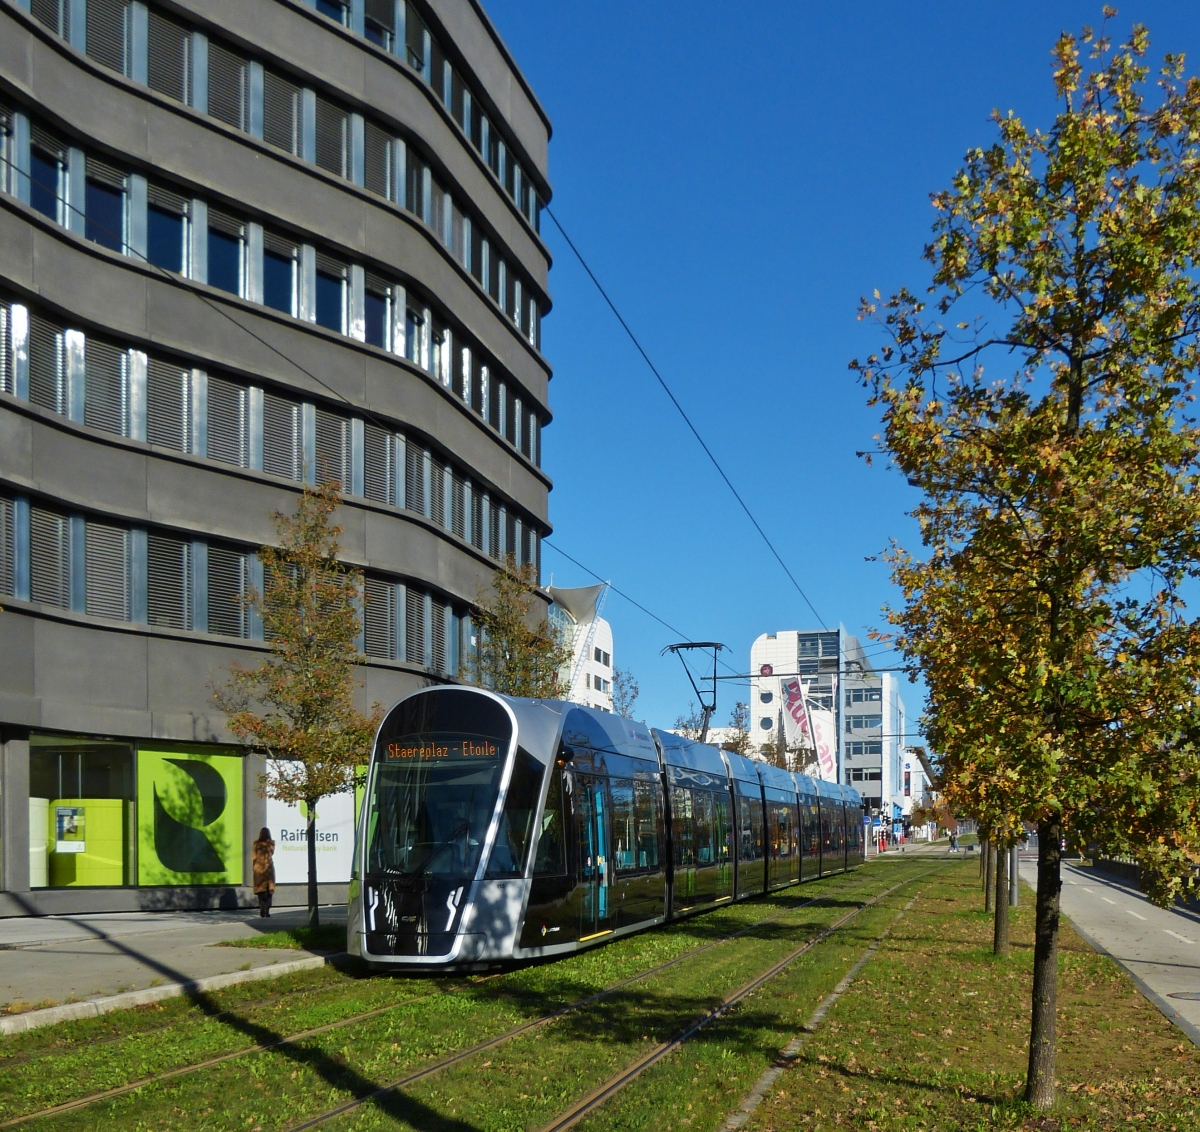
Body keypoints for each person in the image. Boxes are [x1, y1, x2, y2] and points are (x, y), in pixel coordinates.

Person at [252, 827, 276, 918]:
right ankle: (267, 910)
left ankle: (262, 907)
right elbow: (271, 853)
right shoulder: (271, 843)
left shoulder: (256, 844)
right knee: (269, 890)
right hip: (268, 867)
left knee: (260, 890)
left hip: (258, 868)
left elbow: (254, 856)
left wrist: (254, 867)